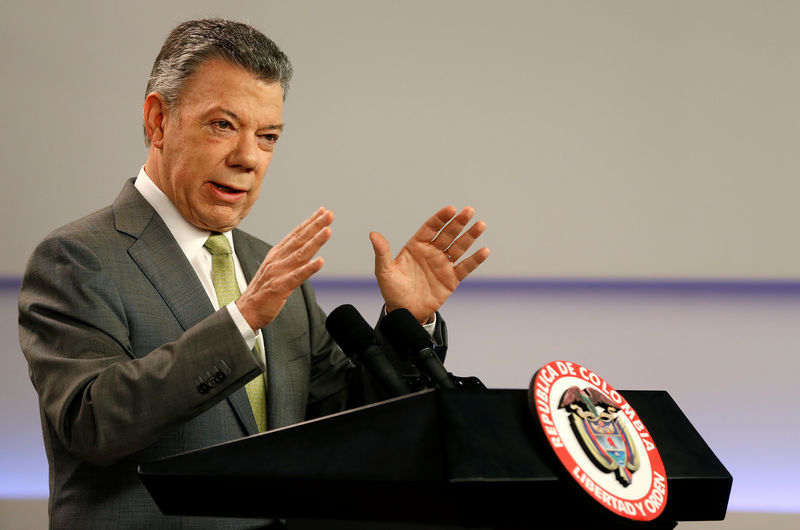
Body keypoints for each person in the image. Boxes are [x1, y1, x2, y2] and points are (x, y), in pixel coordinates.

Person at [18, 18, 489, 529]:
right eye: (223, 125)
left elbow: (345, 422)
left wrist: (406, 319)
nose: (248, 158)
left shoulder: (271, 269)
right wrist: (240, 321)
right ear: (158, 121)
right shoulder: (77, 257)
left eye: (267, 137)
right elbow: (93, 424)